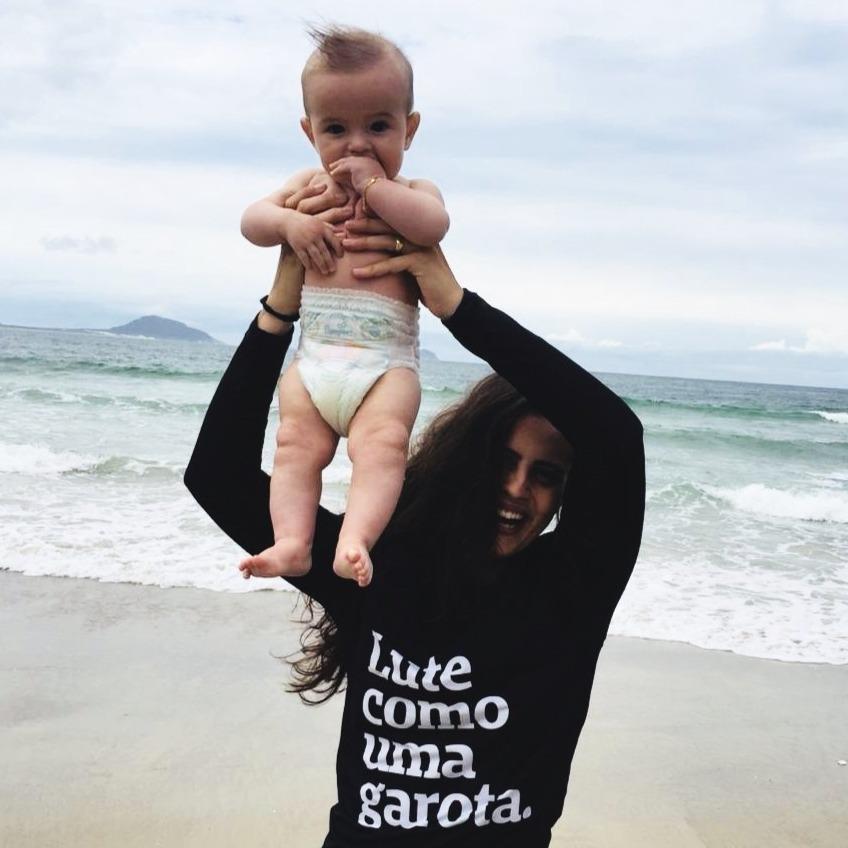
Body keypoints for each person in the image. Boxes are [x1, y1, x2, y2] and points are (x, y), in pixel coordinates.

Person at [184, 222, 646, 846]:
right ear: (466, 463)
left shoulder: (573, 587)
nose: (516, 489)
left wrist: (455, 305)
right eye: (502, 462)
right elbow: (215, 474)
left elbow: (616, 435)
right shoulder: (376, 565)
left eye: (545, 475)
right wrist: (281, 308)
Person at [237, 25, 449, 588]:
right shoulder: (306, 187)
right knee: (292, 447)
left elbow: (435, 227)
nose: (357, 145)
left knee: (381, 447)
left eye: (378, 126)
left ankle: (355, 538)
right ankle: (292, 543)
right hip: (315, 360)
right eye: (336, 128)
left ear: (410, 128)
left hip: (384, 365)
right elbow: (251, 222)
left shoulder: (414, 192)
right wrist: (288, 222)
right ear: (310, 134)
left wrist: (377, 191)